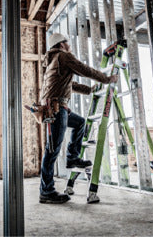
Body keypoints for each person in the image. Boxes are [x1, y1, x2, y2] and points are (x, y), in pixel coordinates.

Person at [39, 33, 118, 204]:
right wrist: (107, 79)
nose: (70, 45)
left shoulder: (54, 61)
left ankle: (72, 157)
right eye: (67, 42)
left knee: (80, 123)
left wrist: (89, 90)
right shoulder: (63, 56)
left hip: (58, 108)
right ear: (61, 44)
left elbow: (69, 84)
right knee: (51, 151)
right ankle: (46, 191)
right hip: (56, 110)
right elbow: (84, 70)